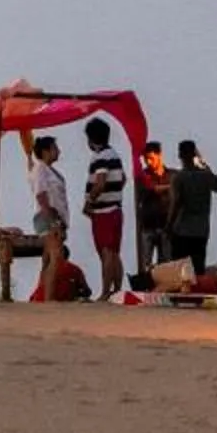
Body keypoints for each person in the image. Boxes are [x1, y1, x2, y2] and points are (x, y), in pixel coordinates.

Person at [77, 118, 130, 299]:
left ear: (91, 139)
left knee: (106, 251)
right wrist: (114, 194)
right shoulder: (114, 154)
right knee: (114, 251)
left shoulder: (99, 157)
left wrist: (89, 203)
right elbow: (123, 179)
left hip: (103, 212)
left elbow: (99, 183)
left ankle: (106, 291)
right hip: (116, 208)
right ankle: (117, 289)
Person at [168, 140, 217, 276]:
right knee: (198, 269)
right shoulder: (206, 176)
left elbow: (176, 203)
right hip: (201, 231)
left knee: (179, 270)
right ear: (194, 154)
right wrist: (203, 162)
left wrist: (168, 226)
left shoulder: (178, 178)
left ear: (180, 155)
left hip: (181, 230)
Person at [27, 135, 69, 302]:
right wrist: (53, 222)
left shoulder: (48, 170)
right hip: (48, 217)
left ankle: (41, 294)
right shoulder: (41, 169)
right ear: (46, 151)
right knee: (56, 256)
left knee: (48, 257)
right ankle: (49, 298)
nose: (58, 151)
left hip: (55, 217)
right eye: (54, 148)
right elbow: (41, 195)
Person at [135, 142, 172, 271]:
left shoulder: (172, 175)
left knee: (166, 265)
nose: (148, 163)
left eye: (151, 158)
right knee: (145, 265)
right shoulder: (142, 176)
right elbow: (152, 189)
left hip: (167, 226)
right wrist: (171, 187)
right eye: (146, 160)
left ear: (159, 155)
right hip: (148, 226)